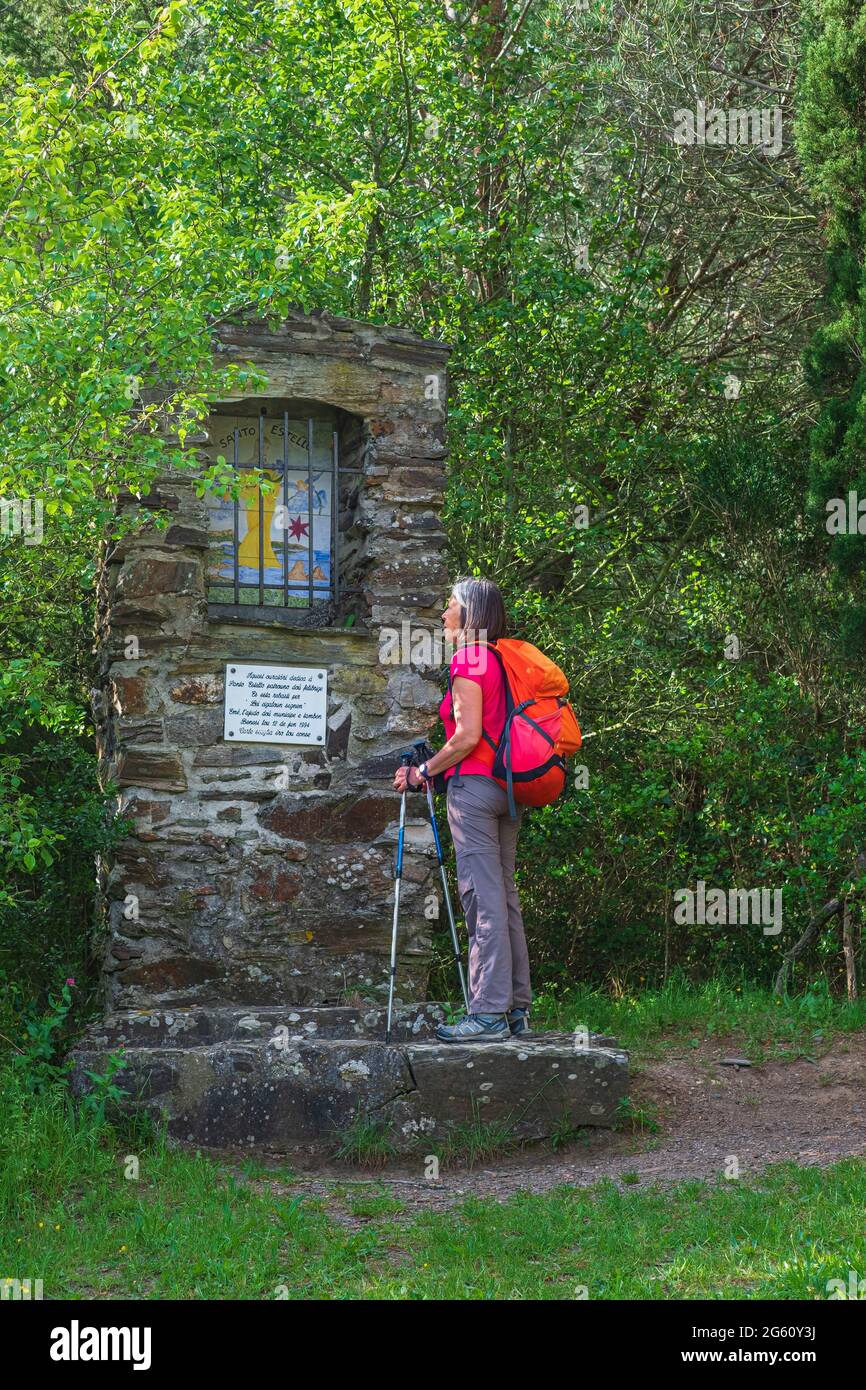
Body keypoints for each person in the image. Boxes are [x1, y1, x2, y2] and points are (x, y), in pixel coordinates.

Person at [392, 576, 531, 1042]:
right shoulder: (502, 660)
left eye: (451, 606)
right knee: (504, 897)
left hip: (473, 789)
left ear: (470, 613)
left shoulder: (470, 658)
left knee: (481, 898)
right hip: (508, 790)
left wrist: (422, 772)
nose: (444, 614)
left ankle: (488, 1014)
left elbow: (468, 737)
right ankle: (515, 1011)